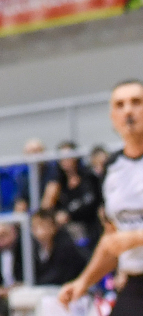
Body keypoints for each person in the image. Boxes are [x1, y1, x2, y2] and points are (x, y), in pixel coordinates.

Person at [58, 79, 143, 316]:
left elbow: (125, 239)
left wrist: (135, 238)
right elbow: (111, 240)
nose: (128, 111)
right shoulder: (111, 169)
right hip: (136, 283)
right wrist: (82, 282)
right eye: (120, 105)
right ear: (112, 116)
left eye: (136, 102)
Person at [44, 142, 103, 247]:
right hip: (67, 229)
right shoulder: (58, 183)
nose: (66, 160)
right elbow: (46, 207)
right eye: (62, 157)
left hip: (89, 223)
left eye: (69, 156)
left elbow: (91, 199)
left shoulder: (88, 177)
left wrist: (68, 213)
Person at [30, 208, 86, 286]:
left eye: (42, 225)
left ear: (53, 226)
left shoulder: (65, 244)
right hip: (47, 286)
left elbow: (60, 275)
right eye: (34, 227)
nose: (38, 230)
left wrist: (36, 283)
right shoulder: (33, 246)